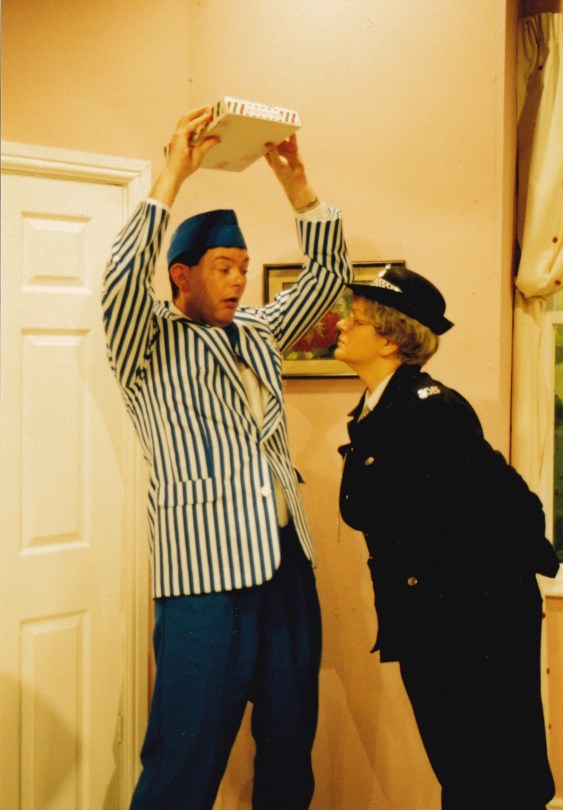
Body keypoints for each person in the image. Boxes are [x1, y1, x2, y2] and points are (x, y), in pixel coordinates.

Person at [102, 106, 352, 809]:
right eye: (223, 268)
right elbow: (121, 278)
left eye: (243, 267)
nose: (240, 281)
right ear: (181, 275)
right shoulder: (145, 340)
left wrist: (296, 185)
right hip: (206, 579)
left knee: (289, 747)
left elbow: (328, 277)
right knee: (185, 756)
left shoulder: (258, 330)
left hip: (286, 568)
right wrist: (173, 174)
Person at [335, 264, 559, 810]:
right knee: (464, 770)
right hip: (436, 617)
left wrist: (477, 614)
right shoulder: (380, 409)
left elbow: (502, 508)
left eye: (355, 319)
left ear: (389, 338)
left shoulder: (430, 410)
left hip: (471, 620)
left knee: (491, 774)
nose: (340, 324)